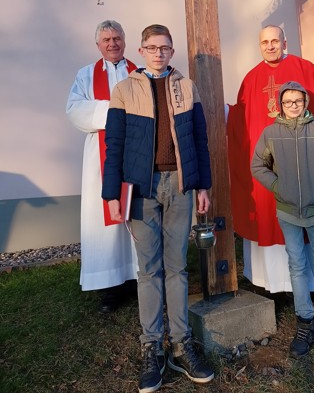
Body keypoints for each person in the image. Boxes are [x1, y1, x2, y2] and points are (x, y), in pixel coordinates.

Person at [102, 24, 214, 393]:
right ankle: (152, 347)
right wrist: (112, 194)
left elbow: (199, 139)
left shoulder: (187, 87)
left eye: (164, 48)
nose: (158, 53)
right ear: (141, 50)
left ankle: (181, 345)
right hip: (141, 189)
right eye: (151, 48)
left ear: (171, 51)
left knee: (177, 268)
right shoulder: (125, 90)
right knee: (149, 270)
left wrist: (203, 185)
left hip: (179, 187)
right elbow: (115, 144)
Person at [227, 25, 314, 293]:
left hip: (307, 164)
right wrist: (223, 113)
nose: (270, 46)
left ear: (284, 43)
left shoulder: (306, 69)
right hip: (272, 167)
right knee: (271, 217)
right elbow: (242, 119)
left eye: (275, 41)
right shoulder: (251, 78)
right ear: (260, 46)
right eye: (265, 42)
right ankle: (275, 284)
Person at [251, 81, 314, 360]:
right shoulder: (271, 133)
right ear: (280, 105)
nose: (293, 106)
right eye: (287, 101)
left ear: (305, 102)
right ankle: (305, 320)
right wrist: (278, 187)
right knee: (296, 264)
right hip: (288, 212)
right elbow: (258, 165)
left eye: (298, 101)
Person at [66, 20, 138, 313]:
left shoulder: (139, 72)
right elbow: (74, 109)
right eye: (106, 39)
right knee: (104, 219)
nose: (112, 43)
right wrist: (114, 110)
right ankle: (110, 287)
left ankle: (137, 277)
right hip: (101, 155)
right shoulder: (86, 75)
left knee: (135, 212)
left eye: (117, 38)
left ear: (125, 40)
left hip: (135, 153)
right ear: (98, 45)